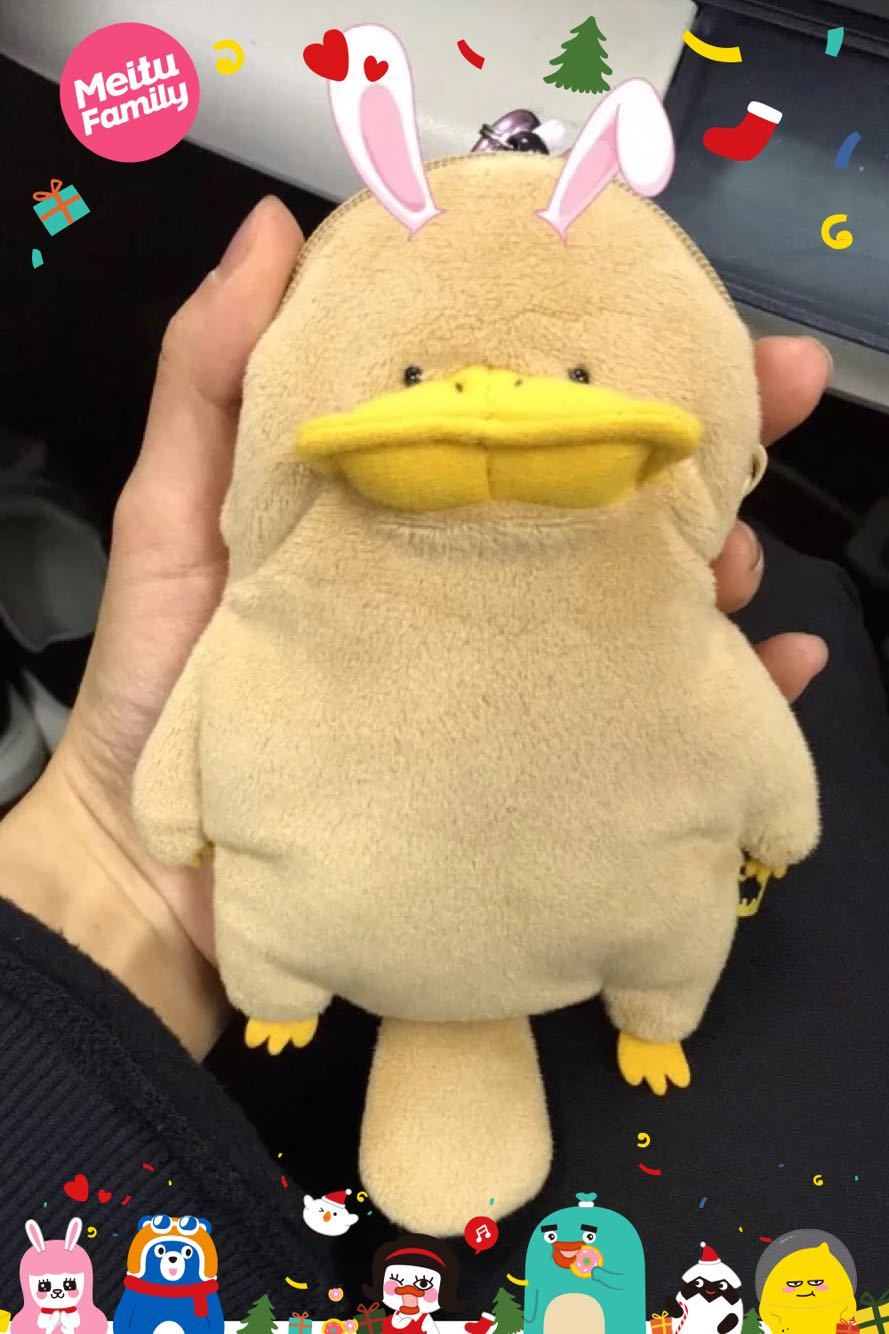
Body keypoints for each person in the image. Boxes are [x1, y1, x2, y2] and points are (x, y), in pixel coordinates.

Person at [1, 198, 886, 1318]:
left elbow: (221, 679)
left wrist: (130, 836)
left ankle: (617, 1006)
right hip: (534, 922)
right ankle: (649, 1009)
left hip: (286, 960)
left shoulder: (297, 567)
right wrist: (776, 814)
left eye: (570, 372)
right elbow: (736, 715)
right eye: (420, 376)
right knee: (805, 600)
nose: (488, 400)